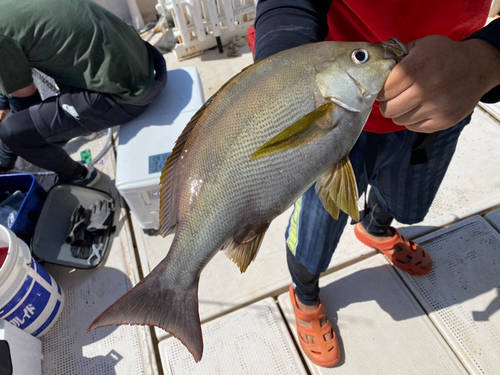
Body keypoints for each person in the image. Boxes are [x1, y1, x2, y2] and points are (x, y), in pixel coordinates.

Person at [253, 0, 500, 367]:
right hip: (331, 118)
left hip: (447, 98)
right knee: (314, 231)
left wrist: (487, 59)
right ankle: (305, 295)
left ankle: (376, 229)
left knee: (408, 200)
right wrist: (281, 80)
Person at [0, 0, 167, 186]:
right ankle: (78, 123)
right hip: (144, 59)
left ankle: (82, 176)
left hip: (127, 94)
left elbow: (26, 109)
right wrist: (4, 102)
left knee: (13, 132)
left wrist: (3, 161)